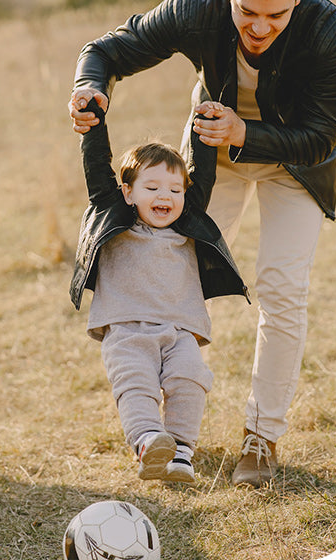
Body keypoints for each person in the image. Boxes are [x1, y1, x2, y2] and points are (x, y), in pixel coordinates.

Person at [68, 0, 336, 487]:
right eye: (247, 11)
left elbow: (322, 137)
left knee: (282, 288)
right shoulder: (197, 5)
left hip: (295, 163)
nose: (260, 27)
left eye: (277, 14)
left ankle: (261, 437)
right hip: (210, 156)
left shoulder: (333, 31)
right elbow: (105, 51)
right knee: (175, 272)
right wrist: (91, 89)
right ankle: (156, 429)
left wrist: (245, 130)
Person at [71, 101, 247, 483]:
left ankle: (181, 451)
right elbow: (97, 168)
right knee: (136, 384)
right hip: (126, 328)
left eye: (174, 189)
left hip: (181, 328)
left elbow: (203, 171)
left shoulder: (188, 223)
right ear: (128, 193)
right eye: (152, 187)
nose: (164, 197)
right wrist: (92, 124)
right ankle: (149, 441)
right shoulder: (113, 215)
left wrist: (207, 120)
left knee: (189, 380)